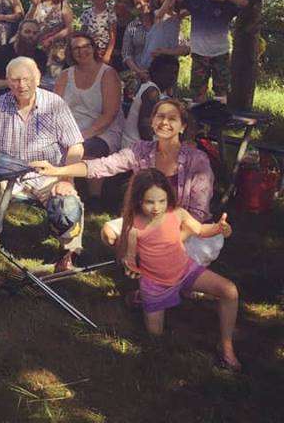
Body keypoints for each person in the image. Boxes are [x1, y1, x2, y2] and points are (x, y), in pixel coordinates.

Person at [31, 99, 221, 265]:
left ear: (183, 126)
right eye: (160, 117)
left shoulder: (197, 160)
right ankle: (141, 265)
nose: (164, 122)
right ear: (153, 122)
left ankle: (158, 272)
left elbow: (198, 214)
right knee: (109, 232)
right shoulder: (141, 150)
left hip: (188, 230)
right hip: (149, 221)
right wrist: (59, 170)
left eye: (172, 118)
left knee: (172, 266)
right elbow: (101, 166)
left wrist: (171, 242)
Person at [0, 56, 85, 272]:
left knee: (68, 207)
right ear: (8, 81)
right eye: (15, 80)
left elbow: (76, 146)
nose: (22, 85)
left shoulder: (55, 105)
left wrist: (67, 179)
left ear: (38, 79)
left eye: (27, 79)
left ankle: (69, 253)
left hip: (46, 175)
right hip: (5, 175)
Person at [118, 169, 240, 371]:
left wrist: (219, 228)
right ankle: (142, 297)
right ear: (138, 200)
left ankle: (226, 346)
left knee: (229, 290)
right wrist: (130, 266)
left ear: (168, 197)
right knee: (155, 339)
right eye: (149, 202)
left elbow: (200, 230)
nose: (156, 208)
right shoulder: (134, 227)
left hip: (185, 270)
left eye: (161, 201)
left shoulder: (177, 213)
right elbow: (130, 258)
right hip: (156, 283)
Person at [54, 31, 125, 200]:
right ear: (71, 53)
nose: (82, 51)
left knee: (90, 148)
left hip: (102, 131)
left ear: (93, 48)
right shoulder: (65, 75)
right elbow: (54, 108)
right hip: (71, 129)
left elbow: (109, 115)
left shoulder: (108, 74)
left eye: (86, 46)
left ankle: (93, 198)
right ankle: (61, 191)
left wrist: (79, 137)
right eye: (76, 48)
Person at [166, 0, 248, 102]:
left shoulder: (228, 6)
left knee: (221, 89)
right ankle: (199, 114)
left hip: (220, 53)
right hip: (199, 52)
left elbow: (244, 3)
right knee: (199, 89)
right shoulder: (198, 3)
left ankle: (219, 113)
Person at [122, 55, 180, 149]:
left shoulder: (156, 90)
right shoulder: (152, 92)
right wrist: (153, 151)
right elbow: (144, 128)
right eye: (167, 73)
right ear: (155, 73)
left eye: (174, 73)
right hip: (135, 146)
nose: (172, 77)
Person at [25, 0, 74, 79]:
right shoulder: (36, 4)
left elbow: (69, 28)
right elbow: (26, 23)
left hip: (57, 51)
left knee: (53, 80)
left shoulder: (63, 4)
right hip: (37, 49)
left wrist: (52, 39)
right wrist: (34, 6)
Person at [0, 19, 48, 95]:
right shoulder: (1, 52)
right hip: (1, 94)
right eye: (27, 32)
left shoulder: (41, 56)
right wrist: (13, 83)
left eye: (35, 33)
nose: (31, 36)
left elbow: (37, 81)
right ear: (19, 33)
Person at [79, 0, 117, 64]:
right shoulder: (86, 13)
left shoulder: (110, 13)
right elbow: (82, 34)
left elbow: (113, 37)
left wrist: (108, 55)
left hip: (104, 51)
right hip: (89, 51)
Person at [111, 0, 135, 72]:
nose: (121, 5)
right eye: (119, 1)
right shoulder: (106, 17)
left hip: (127, 64)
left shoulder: (135, 22)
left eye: (125, 2)